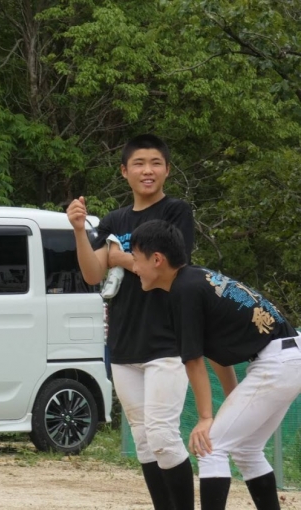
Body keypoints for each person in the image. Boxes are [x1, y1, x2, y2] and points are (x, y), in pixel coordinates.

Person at [130, 219, 301, 510]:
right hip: (286, 358)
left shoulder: (183, 291)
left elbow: (193, 360)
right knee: (246, 449)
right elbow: (216, 354)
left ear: (157, 259)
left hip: (277, 363)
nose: (134, 267)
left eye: (136, 259)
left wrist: (206, 418)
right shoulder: (195, 280)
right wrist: (232, 399)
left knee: (210, 446)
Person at [67, 134, 195, 509]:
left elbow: (167, 264)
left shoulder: (176, 212)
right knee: (143, 439)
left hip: (167, 341)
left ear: (167, 170)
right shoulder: (114, 220)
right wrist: (79, 230)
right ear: (125, 171)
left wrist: (118, 255)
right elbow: (92, 274)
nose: (147, 170)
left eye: (155, 163)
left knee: (163, 436)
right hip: (124, 343)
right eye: (139, 163)